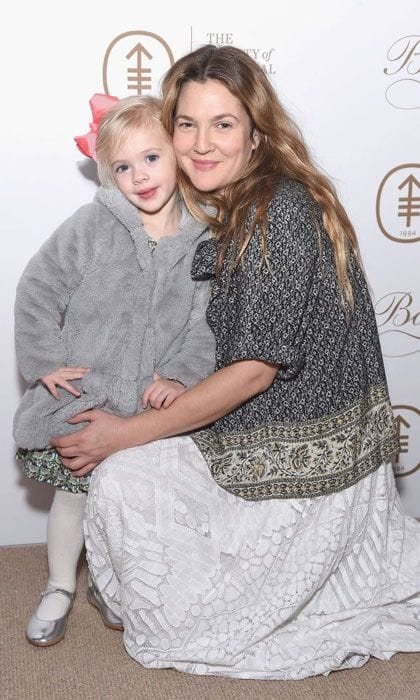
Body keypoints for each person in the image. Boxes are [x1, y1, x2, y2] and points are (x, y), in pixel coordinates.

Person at [51, 45, 420, 679]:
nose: (200, 143)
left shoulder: (275, 211)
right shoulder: (229, 203)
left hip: (307, 474)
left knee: (181, 592)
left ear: (255, 134)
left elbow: (254, 370)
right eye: (186, 124)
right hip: (253, 437)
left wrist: (119, 435)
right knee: (126, 481)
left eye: (222, 124)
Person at [13, 93, 215, 647]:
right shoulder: (91, 225)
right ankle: (59, 586)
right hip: (89, 394)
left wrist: (178, 374)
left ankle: (110, 582)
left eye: (151, 159)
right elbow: (38, 288)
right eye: (122, 167)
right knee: (75, 493)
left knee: (133, 502)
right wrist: (44, 360)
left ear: (178, 154)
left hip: (150, 407)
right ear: (107, 173)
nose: (139, 176)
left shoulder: (204, 236)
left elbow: (206, 322)